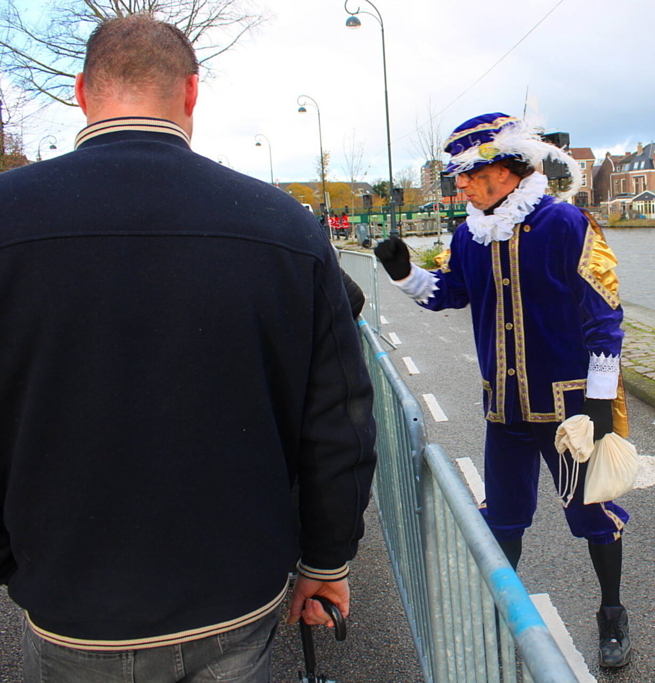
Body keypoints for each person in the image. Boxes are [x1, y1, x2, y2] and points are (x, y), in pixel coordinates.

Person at [0, 15, 377, 681]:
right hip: (233, 600)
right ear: (193, 93)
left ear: (83, 92)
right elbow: (337, 419)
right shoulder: (285, 228)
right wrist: (325, 561)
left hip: (69, 604)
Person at [374, 113, 632, 668]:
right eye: (455, 177)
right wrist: (405, 276)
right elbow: (450, 293)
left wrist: (601, 401)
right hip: (505, 409)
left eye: (467, 173)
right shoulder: (470, 234)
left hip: (569, 413)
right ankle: (497, 619)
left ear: (507, 167)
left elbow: (605, 315)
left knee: (592, 515)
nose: (459, 185)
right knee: (503, 520)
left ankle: (612, 612)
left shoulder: (566, 224)